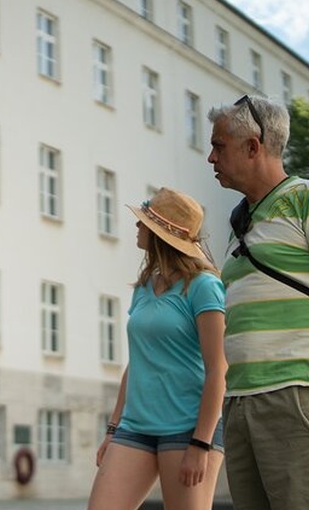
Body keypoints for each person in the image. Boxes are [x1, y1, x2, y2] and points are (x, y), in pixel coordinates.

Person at [208, 95, 309, 510]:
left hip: (300, 394)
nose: (211, 156)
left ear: (253, 146)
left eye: (219, 145)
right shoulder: (240, 223)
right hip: (242, 400)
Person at [88, 188, 227, 510]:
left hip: (187, 428)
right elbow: (137, 362)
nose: (136, 227)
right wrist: (113, 428)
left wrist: (200, 443)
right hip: (135, 428)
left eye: (142, 223)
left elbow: (218, 369)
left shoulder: (204, 287)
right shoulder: (144, 288)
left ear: (159, 234)